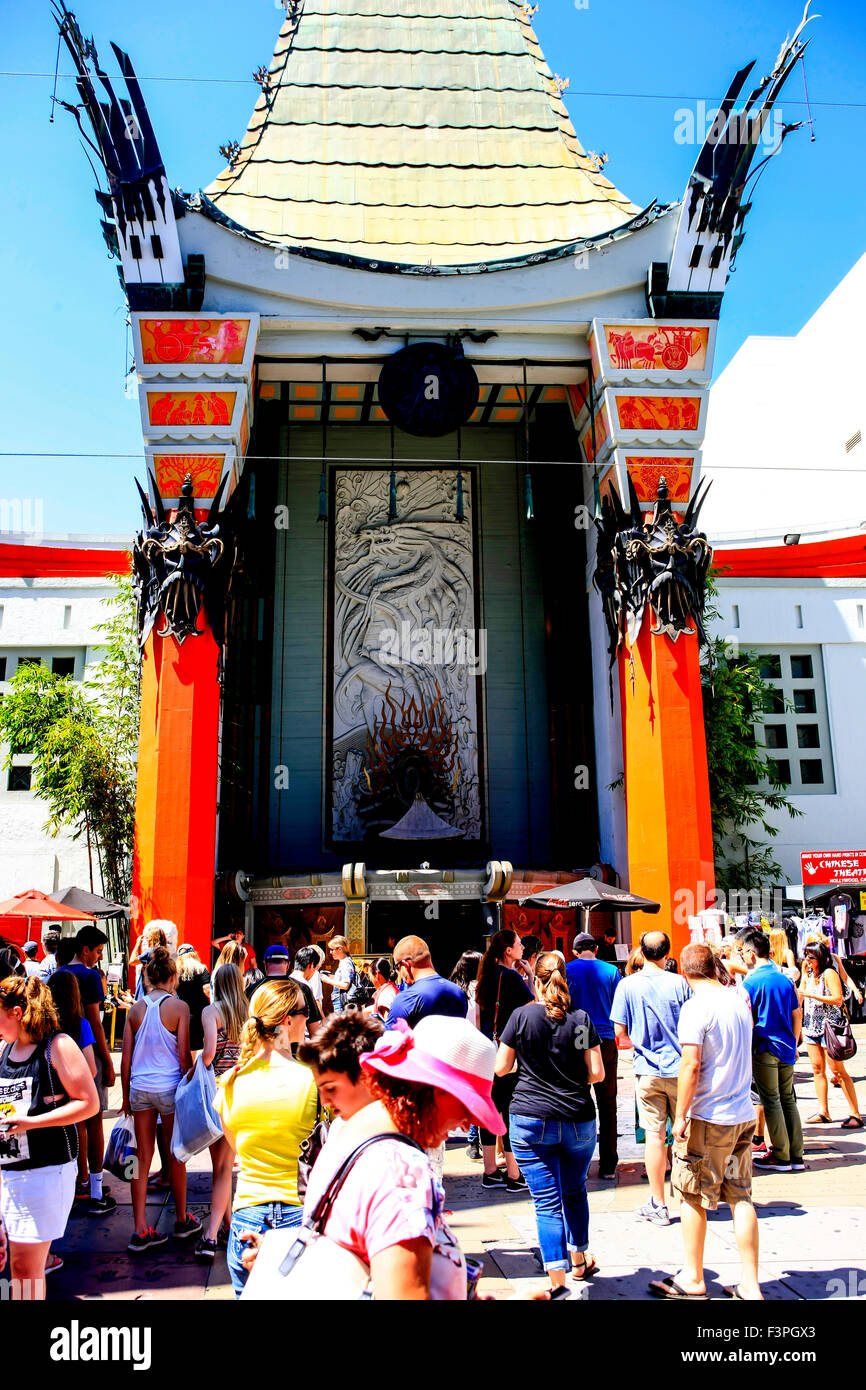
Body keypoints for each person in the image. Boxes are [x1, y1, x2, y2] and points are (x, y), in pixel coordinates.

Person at [301, 1014, 505, 1299]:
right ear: (437, 1092)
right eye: (467, 1106)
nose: (468, 1123)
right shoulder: (404, 1175)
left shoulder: (348, 1133)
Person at [649, 943, 761, 1302]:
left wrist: (679, 1117)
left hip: (709, 1117)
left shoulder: (695, 1008)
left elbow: (691, 1065)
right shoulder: (739, 998)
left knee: (692, 1194)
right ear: (713, 967)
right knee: (740, 1197)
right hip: (742, 1114)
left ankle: (694, 1278)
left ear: (683, 973)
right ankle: (750, 1284)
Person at [495, 952, 604, 1291]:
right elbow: (596, 1073)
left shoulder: (521, 1017)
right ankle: (579, 1261)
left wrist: (525, 1067)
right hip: (577, 1118)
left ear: (536, 981)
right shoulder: (581, 1019)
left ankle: (557, 1281)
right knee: (574, 1191)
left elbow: (500, 1067)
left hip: (530, 1117)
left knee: (546, 1201)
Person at [214, 978, 316, 1296]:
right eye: (305, 1011)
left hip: (246, 1218)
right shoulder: (312, 1080)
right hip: (300, 1214)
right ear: (287, 1020)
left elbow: (236, 1149)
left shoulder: (228, 1084)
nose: (308, 1018)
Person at [0, 974, 99, 1300]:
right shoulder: (5, 1049)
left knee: (25, 1271)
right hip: (8, 1175)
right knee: (19, 1270)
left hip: (43, 1174)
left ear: (17, 1012)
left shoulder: (57, 1046)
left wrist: (32, 1122)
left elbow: (89, 1103)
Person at [120, 947, 202, 1252]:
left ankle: (139, 1227)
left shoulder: (135, 1010)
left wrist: (127, 1095)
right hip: (168, 1087)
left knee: (140, 1157)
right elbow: (183, 1057)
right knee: (175, 1154)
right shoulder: (178, 1008)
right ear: (171, 977)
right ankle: (182, 1219)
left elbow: (126, 1059)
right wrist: (191, 1083)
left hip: (140, 1087)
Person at [611, 931, 692, 1224]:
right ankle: (690, 1199)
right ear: (668, 954)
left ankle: (658, 1202)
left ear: (642, 954)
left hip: (647, 1070)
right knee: (683, 1137)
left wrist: (641, 1041)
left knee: (655, 1139)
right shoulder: (681, 984)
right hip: (681, 1069)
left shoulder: (627, 985)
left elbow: (619, 1033)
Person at [56, 924, 116, 1216]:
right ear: (85, 950)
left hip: (58, 1054)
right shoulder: (90, 977)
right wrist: (107, 1060)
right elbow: (95, 1022)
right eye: (98, 951)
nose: (98, 957)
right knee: (94, 1121)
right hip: (85, 1049)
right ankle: (94, 1186)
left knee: (74, 1121)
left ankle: (78, 1182)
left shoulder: (56, 975)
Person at [738, 929, 805, 1171]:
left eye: (743, 952)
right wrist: (795, 1041)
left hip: (765, 1046)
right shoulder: (785, 979)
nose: (742, 957)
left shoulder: (751, 981)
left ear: (751, 953)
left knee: (772, 1100)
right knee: (788, 1099)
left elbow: (747, 1018)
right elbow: (797, 1013)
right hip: (786, 1045)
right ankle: (795, 1154)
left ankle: (781, 1154)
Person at [195, 962, 249, 1261]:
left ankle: (210, 1234)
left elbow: (209, 1053)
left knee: (220, 1168)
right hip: (241, 1091)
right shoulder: (248, 1011)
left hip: (217, 1090)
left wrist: (194, 1070)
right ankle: (228, 1224)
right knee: (224, 1168)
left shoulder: (211, 1012)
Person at [476, 930, 532, 1191]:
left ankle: (490, 1170)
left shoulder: (486, 975)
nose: (522, 948)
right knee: (510, 1110)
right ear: (508, 950)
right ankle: (513, 1172)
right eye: (519, 944)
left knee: (489, 1108)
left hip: (486, 1048)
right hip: (506, 1051)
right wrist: (530, 977)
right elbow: (533, 1005)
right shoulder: (510, 976)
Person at [566, 931, 622, 1180]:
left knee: (577, 1099)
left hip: (576, 1035)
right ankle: (609, 1164)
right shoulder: (611, 972)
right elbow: (619, 1007)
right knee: (608, 1102)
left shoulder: (566, 970)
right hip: (605, 1037)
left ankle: (579, 1160)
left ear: (575, 951)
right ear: (596, 949)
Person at [798, 942, 863, 1128]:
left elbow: (837, 998)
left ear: (820, 957)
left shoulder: (829, 973)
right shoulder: (808, 972)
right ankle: (823, 1111)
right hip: (811, 1026)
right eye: (805, 956)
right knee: (817, 1070)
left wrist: (811, 995)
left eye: (811, 957)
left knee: (837, 1071)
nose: (807, 960)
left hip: (829, 1027)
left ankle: (855, 1113)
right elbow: (802, 993)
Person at [386, 936, 469, 1027]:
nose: (399, 974)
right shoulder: (458, 992)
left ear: (406, 965)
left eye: (398, 968)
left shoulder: (407, 998)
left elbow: (390, 1039)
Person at [449, 949, 484, 1159]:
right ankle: (476, 1138)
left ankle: (472, 1140)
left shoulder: (454, 990)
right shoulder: (481, 989)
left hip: (461, 1044)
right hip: (480, 1044)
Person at [175, 944, 211, 1052]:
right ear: (194, 954)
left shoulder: (175, 972)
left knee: (181, 1047)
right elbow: (207, 990)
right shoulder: (201, 969)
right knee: (196, 1048)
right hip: (200, 1014)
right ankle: (193, 1069)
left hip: (181, 1013)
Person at [290, 946, 324, 1037]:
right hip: (298, 1039)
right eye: (315, 968)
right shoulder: (305, 987)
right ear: (311, 965)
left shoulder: (284, 983)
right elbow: (313, 1028)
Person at [318, 936, 356, 1015]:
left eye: (332, 949)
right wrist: (331, 976)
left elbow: (345, 985)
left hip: (342, 1002)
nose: (330, 952)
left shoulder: (345, 963)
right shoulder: (344, 961)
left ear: (340, 949)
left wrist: (328, 980)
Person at [371, 957, 398, 1021]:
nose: (370, 979)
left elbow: (387, 1020)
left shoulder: (386, 994)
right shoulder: (390, 988)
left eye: (370, 976)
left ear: (377, 974)